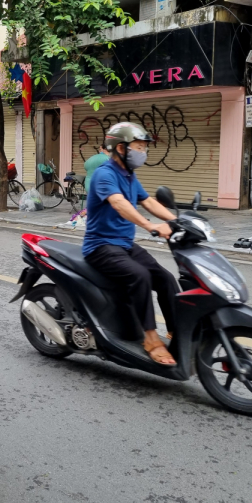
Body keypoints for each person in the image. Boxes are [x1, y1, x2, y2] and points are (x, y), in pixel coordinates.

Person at [82, 122, 179, 366]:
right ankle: (150, 339)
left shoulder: (129, 175)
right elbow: (119, 203)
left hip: (124, 245)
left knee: (166, 279)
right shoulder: (106, 174)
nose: (143, 152)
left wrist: (179, 222)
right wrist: (150, 226)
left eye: (144, 148)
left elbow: (148, 202)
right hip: (100, 246)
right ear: (121, 149)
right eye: (139, 147)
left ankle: (177, 330)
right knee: (141, 276)